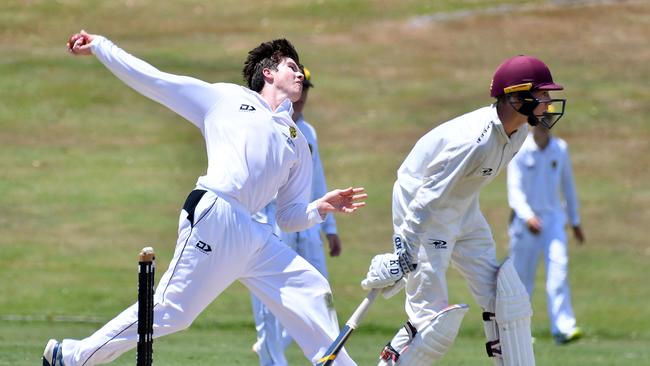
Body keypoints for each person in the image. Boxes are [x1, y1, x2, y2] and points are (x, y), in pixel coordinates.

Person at [42, 30, 367, 366]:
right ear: (268, 73)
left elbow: (289, 216)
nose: (300, 73)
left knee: (309, 284)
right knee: (172, 312)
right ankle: (72, 356)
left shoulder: (297, 139)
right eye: (291, 66)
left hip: (254, 233)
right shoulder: (225, 99)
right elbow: (154, 80)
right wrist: (100, 46)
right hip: (215, 211)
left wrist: (320, 208)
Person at [360, 55, 567, 366]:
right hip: (426, 213)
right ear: (516, 97)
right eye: (542, 94)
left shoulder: (520, 131)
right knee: (433, 324)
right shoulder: (472, 141)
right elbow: (425, 197)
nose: (549, 101)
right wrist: (405, 251)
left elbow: (459, 189)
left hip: (464, 209)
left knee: (508, 302)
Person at [250, 67, 344, 366]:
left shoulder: (309, 131)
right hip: (273, 221)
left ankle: (325, 356)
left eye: (307, 89)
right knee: (271, 299)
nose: (302, 96)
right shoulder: (263, 125)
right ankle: (271, 359)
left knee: (319, 294)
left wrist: (330, 227)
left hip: (307, 223)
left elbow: (317, 179)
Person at [507, 123, 585, 345]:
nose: (545, 124)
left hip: (553, 220)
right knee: (522, 280)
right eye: (542, 119)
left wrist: (575, 221)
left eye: (549, 119)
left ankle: (563, 328)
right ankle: (518, 331)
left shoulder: (560, 148)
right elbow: (515, 191)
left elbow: (568, 187)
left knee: (558, 271)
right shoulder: (520, 150)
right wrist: (527, 216)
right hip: (525, 222)